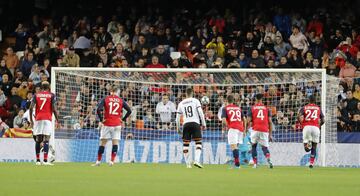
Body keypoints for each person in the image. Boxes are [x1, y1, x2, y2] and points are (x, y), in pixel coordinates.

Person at [92, 86, 131, 166]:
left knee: (102, 143)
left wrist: (101, 119)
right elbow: (129, 111)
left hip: (107, 123)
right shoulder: (120, 100)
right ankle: (112, 161)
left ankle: (98, 161)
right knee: (115, 143)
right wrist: (122, 119)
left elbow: (98, 109)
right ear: (117, 92)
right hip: (117, 124)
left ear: (111, 91)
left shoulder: (106, 99)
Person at [29, 81, 59, 166]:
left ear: (41, 87)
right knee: (46, 139)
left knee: (38, 139)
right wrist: (57, 120)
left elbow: (31, 108)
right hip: (47, 119)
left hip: (38, 119)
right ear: (49, 87)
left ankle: (38, 161)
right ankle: (45, 161)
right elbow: (54, 109)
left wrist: (31, 120)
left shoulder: (36, 95)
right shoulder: (52, 95)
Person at [176, 88, 206, 168]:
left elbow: (177, 118)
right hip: (195, 123)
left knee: (186, 144)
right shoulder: (195, 101)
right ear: (192, 93)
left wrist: (178, 128)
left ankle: (188, 164)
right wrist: (204, 123)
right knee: (198, 143)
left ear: (186, 94)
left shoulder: (181, 103)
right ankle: (196, 160)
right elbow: (200, 112)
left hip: (186, 124)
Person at [247, 94, 273, 169]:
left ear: (255, 99)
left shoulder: (252, 108)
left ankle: (255, 164)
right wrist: (270, 134)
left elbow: (248, 120)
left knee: (253, 146)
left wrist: (247, 128)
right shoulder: (267, 109)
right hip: (264, 130)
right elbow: (270, 122)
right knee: (264, 147)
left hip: (255, 129)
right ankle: (268, 159)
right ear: (262, 99)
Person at [298, 95, 324, 168]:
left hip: (307, 127)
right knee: (314, 146)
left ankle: (308, 143)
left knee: (306, 149)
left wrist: (302, 124)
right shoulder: (318, 108)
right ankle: (311, 163)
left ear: (308, 100)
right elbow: (323, 120)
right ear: (315, 101)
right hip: (316, 128)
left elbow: (299, 116)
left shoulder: (304, 107)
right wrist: (319, 126)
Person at [221, 94, 246, 168]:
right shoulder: (238, 108)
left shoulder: (225, 108)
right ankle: (236, 163)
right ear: (233, 101)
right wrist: (244, 130)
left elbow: (223, 120)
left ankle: (237, 165)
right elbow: (244, 119)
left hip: (233, 128)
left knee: (233, 147)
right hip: (240, 129)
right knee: (236, 147)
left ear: (226, 101)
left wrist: (227, 126)